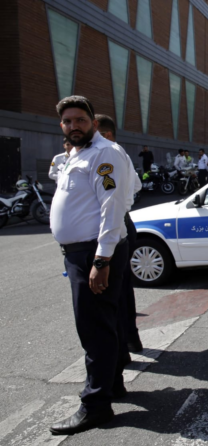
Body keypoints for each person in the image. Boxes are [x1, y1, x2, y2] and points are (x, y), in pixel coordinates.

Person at [49, 96, 132, 435]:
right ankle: (111, 385)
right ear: (62, 126)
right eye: (68, 121)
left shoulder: (103, 154)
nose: (74, 126)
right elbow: (133, 189)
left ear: (93, 123)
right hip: (82, 253)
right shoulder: (74, 155)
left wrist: (102, 259)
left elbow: (113, 208)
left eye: (80, 120)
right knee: (104, 323)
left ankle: (95, 404)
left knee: (93, 328)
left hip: (92, 254)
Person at [95, 114, 144, 353]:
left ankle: (121, 347)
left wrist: (122, 205)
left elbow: (118, 195)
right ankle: (130, 339)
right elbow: (135, 186)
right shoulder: (114, 152)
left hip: (114, 226)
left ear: (106, 134)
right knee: (123, 288)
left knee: (112, 291)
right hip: (122, 222)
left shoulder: (109, 152)